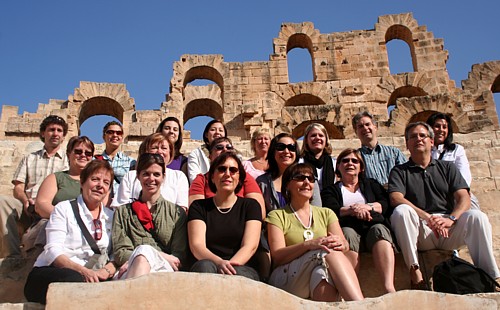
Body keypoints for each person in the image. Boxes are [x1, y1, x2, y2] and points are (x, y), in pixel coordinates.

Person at [388, 122, 500, 289]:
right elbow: (396, 198)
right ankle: (415, 271)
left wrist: (452, 219)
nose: (418, 139)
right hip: (422, 228)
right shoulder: (399, 171)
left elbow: (464, 197)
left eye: (422, 135)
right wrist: (427, 217)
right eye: (412, 136)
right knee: (402, 212)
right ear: (407, 144)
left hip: (448, 227)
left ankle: (490, 277)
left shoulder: (447, 167)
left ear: (431, 141)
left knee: (478, 217)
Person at [266, 163, 364, 301]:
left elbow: (345, 245)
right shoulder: (276, 216)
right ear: (287, 185)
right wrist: (309, 245)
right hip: (287, 278)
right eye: (300, 177)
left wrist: (340, 244)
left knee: (322, 275)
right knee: (326, 252)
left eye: (311, 178)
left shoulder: (326, 213)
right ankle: (360, 305)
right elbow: (277, 256)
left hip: (316, 269)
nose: (306, 182)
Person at [24, 160, 116, 304]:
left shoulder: (110, 217)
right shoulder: (64, 208)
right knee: (75, 281)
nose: (100, 185)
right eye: (95, 179)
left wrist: (106, 272)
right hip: (54, 272)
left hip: (93, 275)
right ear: (82, 182)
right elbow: (53, 250)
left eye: (106, 182)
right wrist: (83, 271)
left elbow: (114, 254)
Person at [321, 148, 396, 293]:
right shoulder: (331, 190)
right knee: (347, 234)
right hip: (349, 227)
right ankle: (352, 288)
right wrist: (354, 210)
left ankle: (388, 287)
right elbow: (332, 209)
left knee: (379, 230)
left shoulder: (372, 184)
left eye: (354, 161)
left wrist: (366, 207)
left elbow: (384, 204)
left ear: (361, 167)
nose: (350, 163)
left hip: (372, 225)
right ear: (338, 166)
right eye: (345, 161)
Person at [0, 115, 69, 263]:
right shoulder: (29, 158)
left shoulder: (68, 160)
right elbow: (18, 187)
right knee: (2, 202)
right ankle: (11, 256)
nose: (55, 133)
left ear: (63, 136)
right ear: (43, 133)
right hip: (28, 206)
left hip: (52, 209)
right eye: (51, 130)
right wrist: (25, 200)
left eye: (59, 130)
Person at [188, 152, 262, 280]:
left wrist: (229, 267)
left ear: (239, 178)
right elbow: (197, 245)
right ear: (212, 177)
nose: (227, 174)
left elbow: (250, 246)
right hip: (208, 264)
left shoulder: (251, 206)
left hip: (240, 265)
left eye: (233, 170)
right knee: (205, 267)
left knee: (240, 275)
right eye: (222, 169)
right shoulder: (199, 207)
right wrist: (219, 263)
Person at [112, 153, 187, 279]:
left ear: (163, 177)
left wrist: (148, 253)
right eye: (146, 174)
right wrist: (146, 254)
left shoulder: (176, 213)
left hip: (164, 268)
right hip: (130, 266)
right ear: (138, 176)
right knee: (143, 254)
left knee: (144, 251)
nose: (151, 179)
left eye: (156, 174)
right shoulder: (122, 212)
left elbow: (178, 256)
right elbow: (121, 252)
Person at [24, 136, 94, 251]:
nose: (83, 155)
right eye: (78, 151)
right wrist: (68, 218)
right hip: (55, 223)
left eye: (88, 153)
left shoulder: (96, 182)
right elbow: (41, 205)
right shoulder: (56, 178)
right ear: (68, 154)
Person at [188, 137, 265, 218]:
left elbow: (259, 212)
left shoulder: (245, 177)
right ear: (210, 156)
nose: (225, 150)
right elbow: (196, 213)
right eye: (219, 147)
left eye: (229, 147)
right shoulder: (201, 179)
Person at [112, 133, 188, 210]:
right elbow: (120, 207)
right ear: (145, 151)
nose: (159, 151)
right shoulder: (130, 176)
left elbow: (181, 210)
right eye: (154, 148)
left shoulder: (178, 177)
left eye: (164, 148)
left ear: (170, 152)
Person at [426, 112, 480, 209]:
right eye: (437, 126)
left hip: (455, 193)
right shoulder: (425, 151)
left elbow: (464, 175)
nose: (441, 130)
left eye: (444, 127)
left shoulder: (457, 150)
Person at [257, 133, 321, 214]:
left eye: (291, 147)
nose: (286, 151)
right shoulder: (262, 182)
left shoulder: (309, 179)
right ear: (273, 151)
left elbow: (317, 212)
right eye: (281, 147)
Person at [352, 111, 406, 187]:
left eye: (367, 124)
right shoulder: (355, 157)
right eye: (360, 126)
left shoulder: (394, 153)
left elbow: (406, 177)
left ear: (375, 127)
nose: (365, 128)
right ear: (356, 132)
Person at [95, 121, 136, 195]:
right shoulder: (94, 161)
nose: (115, 135)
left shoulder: (131, 162)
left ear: (122, 137)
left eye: (118, 133)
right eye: (110, 132)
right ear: (104, 136)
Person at [299, 123, 336, 192]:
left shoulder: (335, 163)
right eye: (313, 135)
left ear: (326, 140)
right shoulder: (299, 162)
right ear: (306, 140)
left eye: (321, 135)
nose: (317, 138)